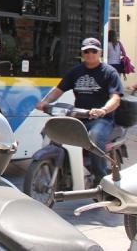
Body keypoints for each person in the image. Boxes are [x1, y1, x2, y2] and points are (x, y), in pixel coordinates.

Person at [36, 37, 123, 183]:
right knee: (49, 130)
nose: (90, 54)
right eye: (86, 51)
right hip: (79, 117)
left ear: (100, 52)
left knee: (94, 137)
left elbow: (116, 98)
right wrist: (45, 102)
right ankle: (64, 168)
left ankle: (100, 179)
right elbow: (58, 90)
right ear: (82, 53)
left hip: (101, 120)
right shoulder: (76, 71)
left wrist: (103, 110)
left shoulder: (109, 72)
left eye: (94, 51)